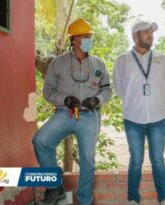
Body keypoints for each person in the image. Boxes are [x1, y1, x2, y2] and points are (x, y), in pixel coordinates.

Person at [32, 18, 111, 205]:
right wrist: (64, 100)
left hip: (90, 116)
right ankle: (55, 187)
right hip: (64, 114)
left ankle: (85, 200)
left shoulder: (99, 63)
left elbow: (107, 90)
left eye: (90, 36)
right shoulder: (57, 63)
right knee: (41, 141)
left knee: (87, 161)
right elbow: (48, 91)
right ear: (74, 39)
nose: (88, 39)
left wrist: (97, 100)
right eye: (85, 36)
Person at [113, 21, 165, 205]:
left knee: (157, 159)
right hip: (133, 119)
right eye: (146, 32)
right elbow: (119, 88)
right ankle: (132, 199)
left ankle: (164, 198)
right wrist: (136, 102)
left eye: (151, 32)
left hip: (158, 118)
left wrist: (153, 100)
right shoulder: (123, 60)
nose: (151, 35)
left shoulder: (161, 58)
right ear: (134, 36)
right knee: (136, 160)